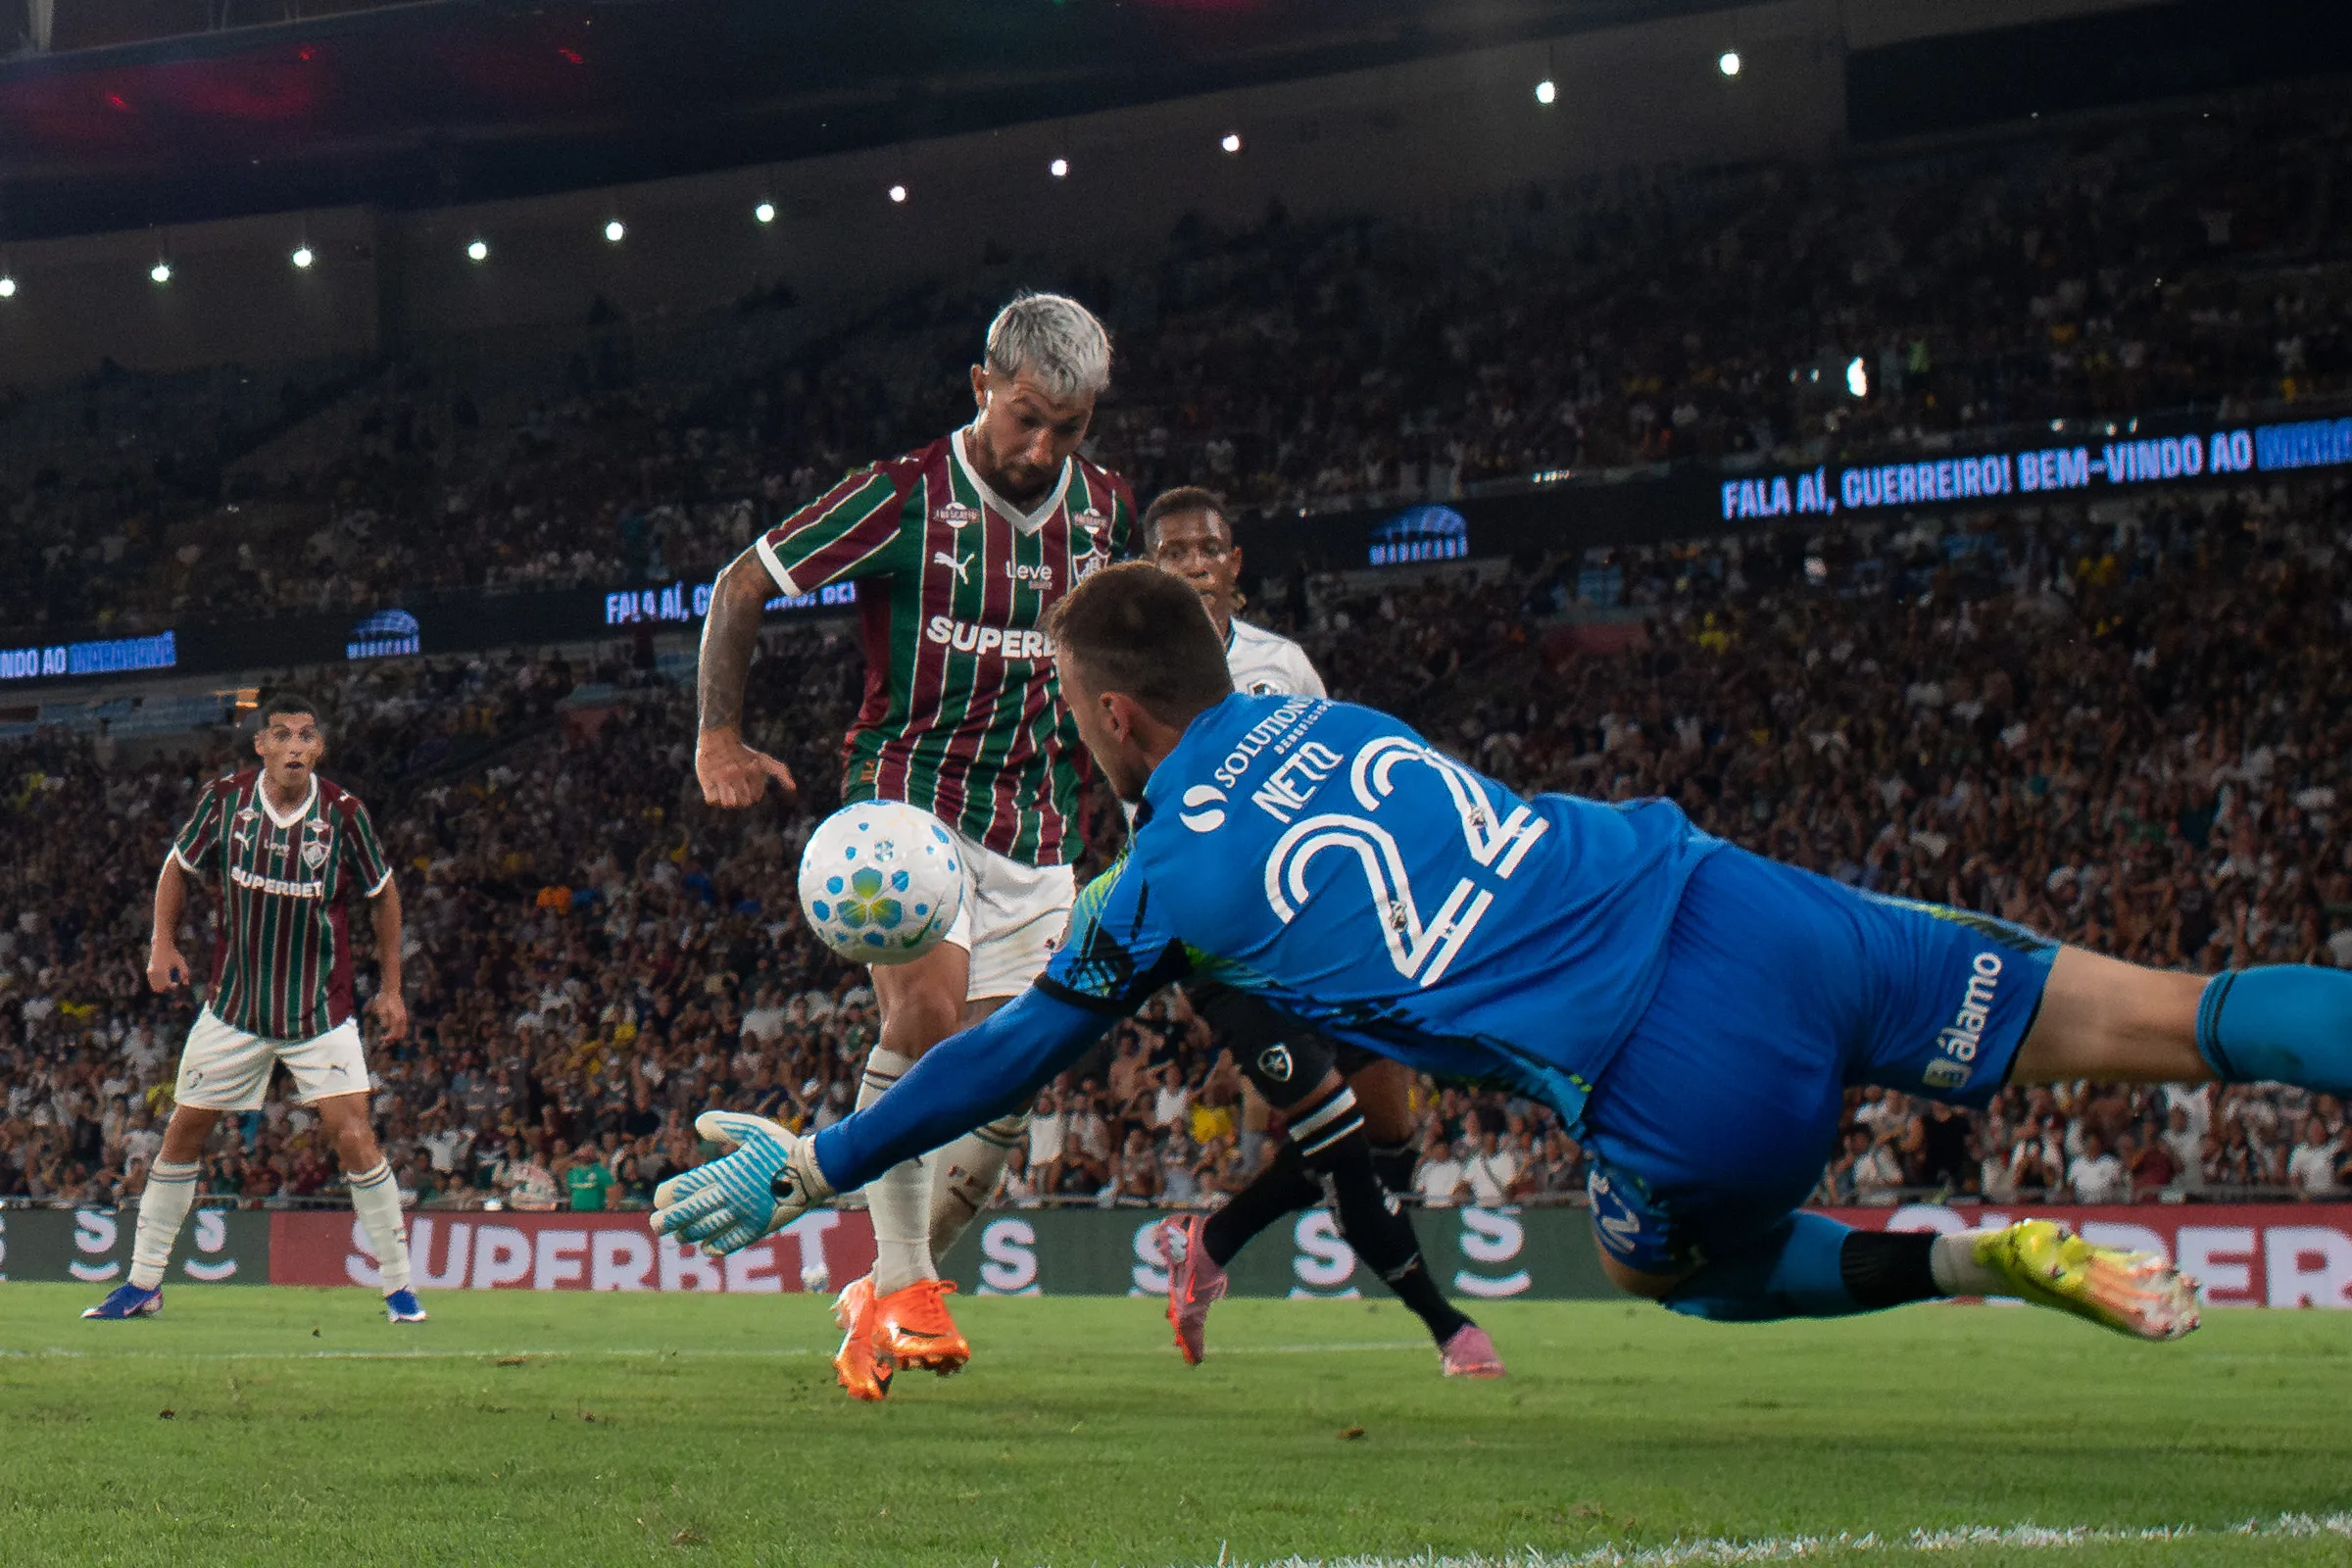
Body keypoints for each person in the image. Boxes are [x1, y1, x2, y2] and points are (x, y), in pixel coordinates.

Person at [664, 562, 2352, 1346]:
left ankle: (1987, 1266)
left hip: (1669, 1075)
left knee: (1665, 1271)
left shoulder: (1155, 881)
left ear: (1113, 715)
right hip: (1747, 900)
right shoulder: (1354, 716)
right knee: (2196, 1016)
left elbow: (1009, 1050)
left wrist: (820, 1159)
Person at [691, 292, 1133, 1400]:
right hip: (908, 795)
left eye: (1067, 429)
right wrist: (719, 735)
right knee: (925, 1018)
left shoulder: (1103, 511)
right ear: (982, 383)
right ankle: (903, 1277)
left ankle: (877, 1284)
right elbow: (743, 580)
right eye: (1026, 417)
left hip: (1036, 818)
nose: (1041, 449)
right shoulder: (905, 497)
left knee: (1008, 1084)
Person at [1142, 485, 1500, 1377]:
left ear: (1235, 566)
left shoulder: (1283, 664)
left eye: (1207, 549)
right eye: (1174, 552)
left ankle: (1209, 1244)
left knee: (1386, 1136)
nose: (1194, 564)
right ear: (1150, 570)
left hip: (1321, 934)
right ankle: (1449, 1328)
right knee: (1338, 1142)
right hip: (1224, 948)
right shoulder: (1129, 678)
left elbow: (1333, 780)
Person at [83, 694, 423, 1324]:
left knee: (354, 1136)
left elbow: (384, 896)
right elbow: (177, 866)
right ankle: (142, 1283)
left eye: (306, 736)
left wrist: (393, 987)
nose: (295, 746)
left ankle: (400, 1287)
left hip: (318, 1012)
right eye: (282, 735)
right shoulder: (224, 801)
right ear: (260, 746)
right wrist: (161, 941)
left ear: (318, 748)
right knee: (184, 1130)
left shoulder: (345, 815)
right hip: (234, 1009)